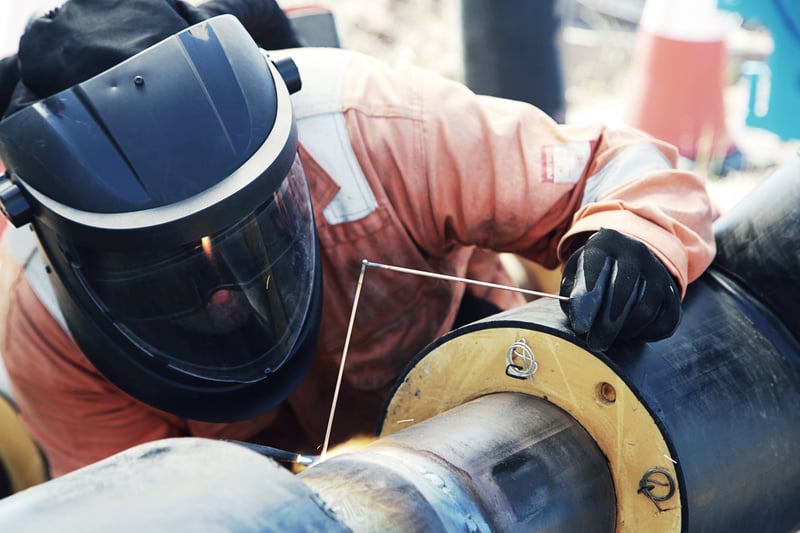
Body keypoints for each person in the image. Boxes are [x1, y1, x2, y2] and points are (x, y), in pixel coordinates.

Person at [0, 0, 715, 479]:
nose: (229, 288)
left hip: (492, 410)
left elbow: (612, 164)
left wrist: (629, 235)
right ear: (70, 247)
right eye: (165, 265)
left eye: (245, 232)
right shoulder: (45, 328)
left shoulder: (375, 125)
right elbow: (142, 511)